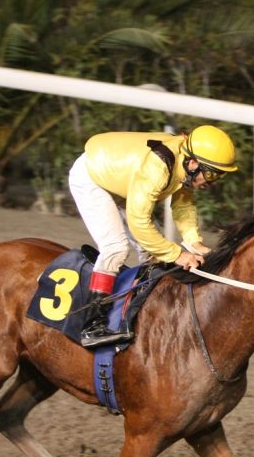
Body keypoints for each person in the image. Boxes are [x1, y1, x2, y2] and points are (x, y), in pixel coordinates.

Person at [67, 124, 238, 347]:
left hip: (123, 180)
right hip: (93, 177)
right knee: (116, 247)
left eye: (220, 175)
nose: (212, 181)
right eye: (212, 173)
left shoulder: (184, 164)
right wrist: (177, 254)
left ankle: (146, 307)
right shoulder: (158, 168)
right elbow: (139, 223)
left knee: (152, 252)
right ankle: (92, 323)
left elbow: (183, 205)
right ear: (194, 163)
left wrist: (194, 241)